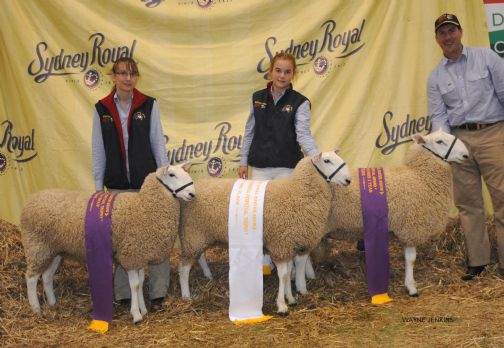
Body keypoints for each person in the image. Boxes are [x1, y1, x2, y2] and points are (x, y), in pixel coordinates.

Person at [428, 14, 504, 280]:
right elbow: (439, 117)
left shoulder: (488, 58)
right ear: (437, 39)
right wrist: (444, 146)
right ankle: (478, 262)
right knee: (468, 203)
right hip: (459, 141)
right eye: (442, 33)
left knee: (503, 198)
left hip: (493, 133)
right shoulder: (435, 77)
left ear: (460, 32)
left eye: (451, 31)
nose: (448, 37)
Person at [92, 57, 169, 308]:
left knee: (156, 236)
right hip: (115, 187)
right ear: (113, 76)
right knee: (121, 241)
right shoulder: (101, 109)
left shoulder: (148, 104)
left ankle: (158, 292)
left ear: (137, 77)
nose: (128, 78)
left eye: (132, 73)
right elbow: (98, 149)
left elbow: (158, 143)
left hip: (146, 184)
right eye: (122, 73)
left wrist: (164, 178)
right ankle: (124, 294)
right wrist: (97, 188)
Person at [239, 52, 319, 272]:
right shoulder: (256, 97)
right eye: (278, 70)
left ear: (294, 74)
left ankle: (291, 263)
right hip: (260, 169)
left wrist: (318, 159)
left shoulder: (300, 102)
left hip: (287, 168)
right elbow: (249, 132)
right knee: (259, 214)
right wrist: (243, 161)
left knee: (286, 218)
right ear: (270, 71)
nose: (282, 75)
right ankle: (264, 260)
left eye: (287, 71)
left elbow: (303, 135)